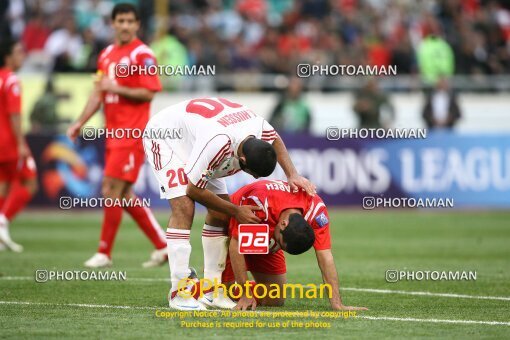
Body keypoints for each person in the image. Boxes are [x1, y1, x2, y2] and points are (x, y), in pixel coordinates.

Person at [143, 97, 316, 310]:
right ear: (242, 160)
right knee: (184, 207)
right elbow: (193, 189)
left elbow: (276, 139)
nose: (253, 179)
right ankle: (178, 292)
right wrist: (236, 210)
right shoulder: (218, 144)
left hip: (200, 135)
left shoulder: (258, 127)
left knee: (221, 215)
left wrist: (293, 174)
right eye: (252, 174)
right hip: (168, 136)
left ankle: (212, 290)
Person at [66, 3, 167, 269]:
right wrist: (79, 122)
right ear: (112, 23)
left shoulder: (143, 55)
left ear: (137, 25)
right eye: (120, 20)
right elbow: (98, 93)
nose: (124, 25)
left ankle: (104, 253)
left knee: (111, 189)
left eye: (129, 21)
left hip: (131, 133)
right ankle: (163, 245)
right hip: (112, 134)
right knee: (123, 194)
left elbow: (150, 91)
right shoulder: (106, 54)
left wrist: (117, 86)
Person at [222, 180, 367, 311]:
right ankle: (208, 287)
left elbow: (326, 258)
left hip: (263, 233)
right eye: (279, 242)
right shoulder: (260, 203)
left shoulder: (316, 212)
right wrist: (245, 294)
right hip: (231, 229)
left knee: (274, 299)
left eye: (280, 246)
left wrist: (337, 304)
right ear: (283, 224)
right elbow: (236, 245)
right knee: (224, 294)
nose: (276, 245)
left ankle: (241, 286)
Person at [0, 39, 38, 252]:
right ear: (7, 57)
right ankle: (3, 221)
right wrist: (21, 143)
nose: (22, 56)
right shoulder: (12, 80)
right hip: (9, 142)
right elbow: (14, 115)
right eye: (18, 52)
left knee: (4, 185)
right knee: (29, 183)